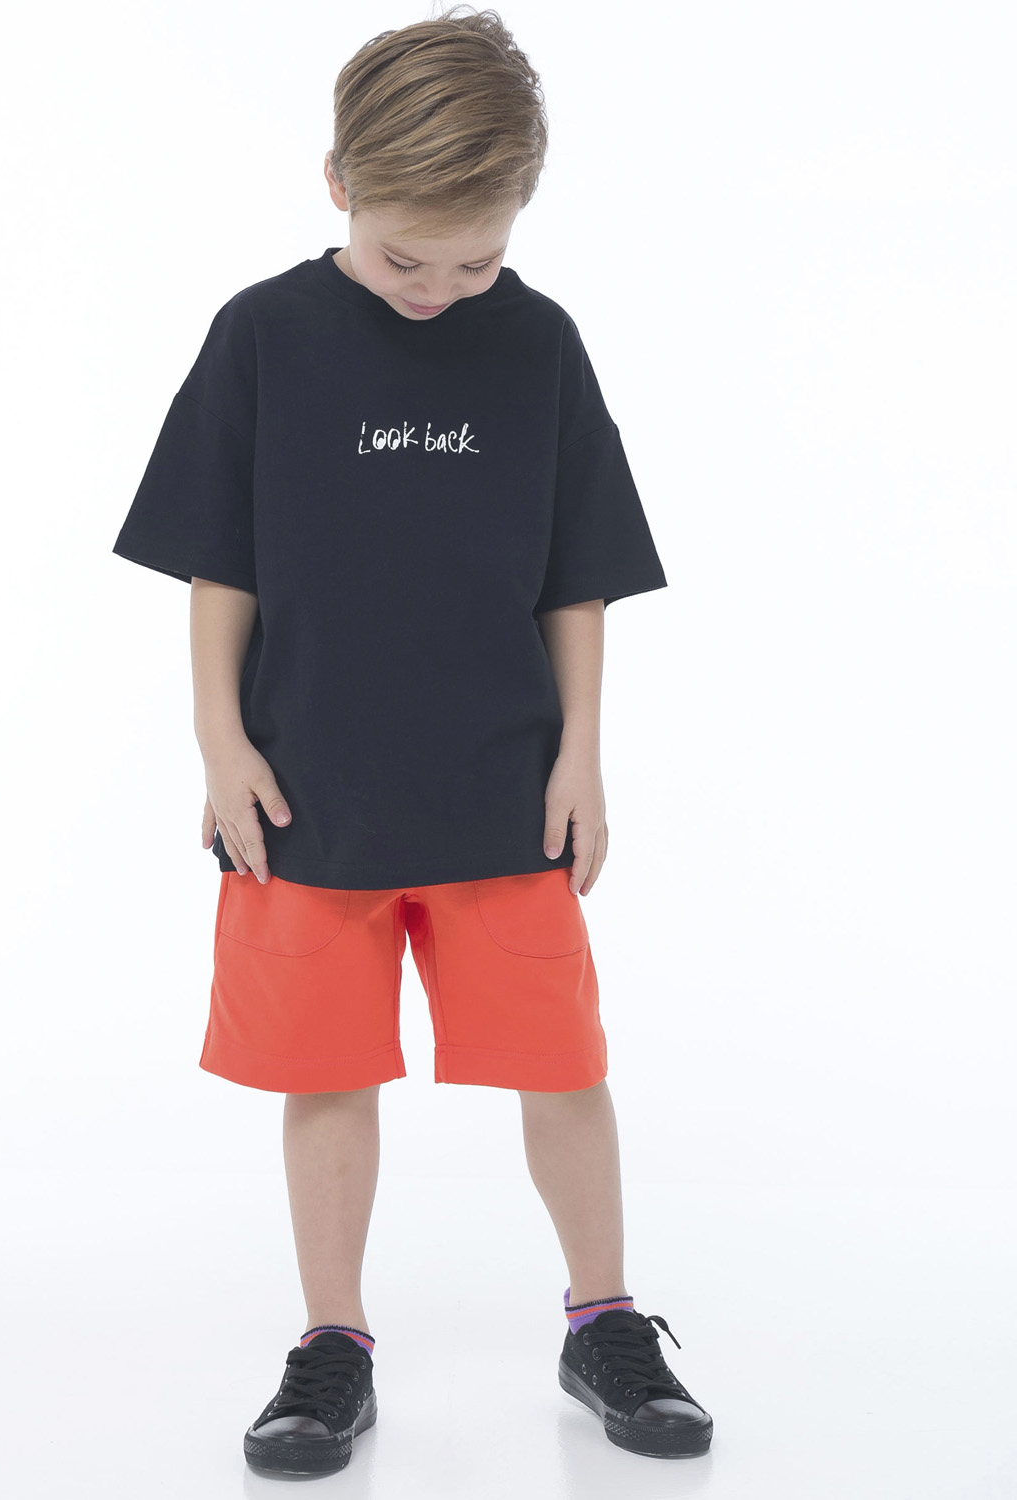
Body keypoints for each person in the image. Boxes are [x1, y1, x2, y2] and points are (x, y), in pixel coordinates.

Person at [112, 5, 712, 1477]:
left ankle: (604, 1320)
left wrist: (582, 751)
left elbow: (577, 574)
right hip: (306, 793)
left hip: (504, 788)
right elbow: (218, 567)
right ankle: (333, 1343)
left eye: (476, 264)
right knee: (326, 1070)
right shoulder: (263, 337)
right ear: (338, 186)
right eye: (405, 260)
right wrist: (218, 743)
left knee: (561, 1061)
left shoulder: (541, 344)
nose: (439, 290)